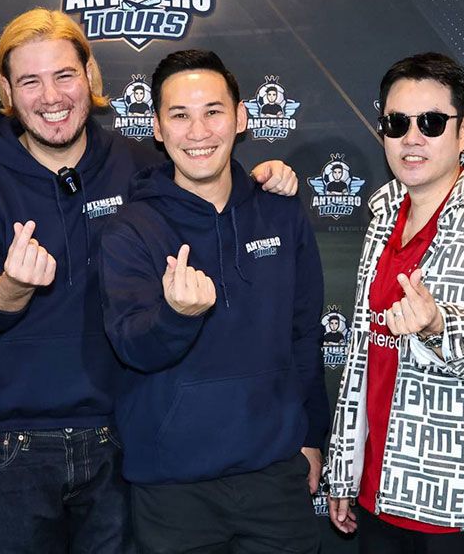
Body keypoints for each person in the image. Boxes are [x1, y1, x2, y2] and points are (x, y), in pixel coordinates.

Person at [0, 9, 298, 554]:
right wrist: (13, 285)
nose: (51, 96)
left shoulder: (138, 164)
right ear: (6, 91)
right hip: (16, 444)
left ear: (91, 76)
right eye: (30, 81)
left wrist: (262, 178)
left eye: (64, 75)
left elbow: (207, 185)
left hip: (119, 434)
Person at [99, 49, 327, 553]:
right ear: (157, 128)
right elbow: (132, 347)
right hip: (173, 489)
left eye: (213, 111)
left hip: (275, 477)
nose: (198, 132)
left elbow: (305, 334)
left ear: (241, 118)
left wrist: (313, 436)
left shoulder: (280, 212)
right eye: (180, 115)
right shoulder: (130, 230)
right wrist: (176, 317)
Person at [326, 52, 464, 552]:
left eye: (432, 123)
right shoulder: (382, 217)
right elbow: (362, 360)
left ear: (463, 132)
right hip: (376, 492)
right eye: (397, 123)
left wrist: (439, 326)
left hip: (455, 506)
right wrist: (345, 469)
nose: (412, 138)